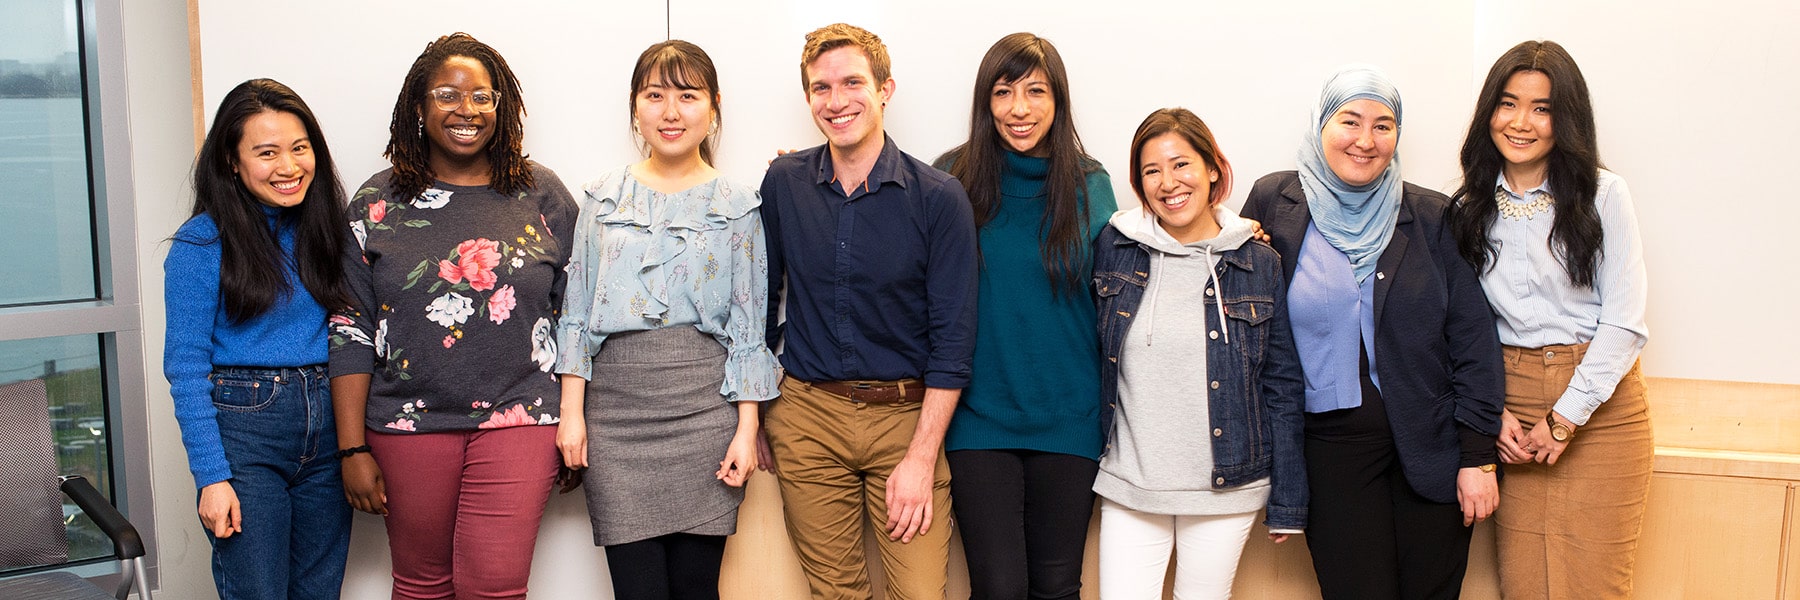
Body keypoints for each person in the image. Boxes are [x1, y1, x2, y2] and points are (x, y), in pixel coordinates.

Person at [327, 32, 578, 599]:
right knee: (422, 587)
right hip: (406, 423)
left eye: (482, 97)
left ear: (500, 106)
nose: (467, 110)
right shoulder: (377, 201)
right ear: (418, 107)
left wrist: (577, 423)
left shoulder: (541, 193)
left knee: (495, 587)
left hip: (523, 418)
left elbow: (577, 314)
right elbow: (349, 327)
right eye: (447, 95)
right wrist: (351, 448)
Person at [1239, 65, 1504, 600]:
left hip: (1432, 447)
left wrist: (1478, 456)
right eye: (1350, 121)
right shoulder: (1275, 202)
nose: (1366, 140)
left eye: (1383, 125)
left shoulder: (1431, 215)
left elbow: (1473, 339)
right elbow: (1243, 316)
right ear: (1321, 123)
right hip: (1329, 453)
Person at [552, 40, 778, 600]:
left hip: (707, 415)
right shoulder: (602, 199)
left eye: (688, 96)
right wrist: (572, 416)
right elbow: (575, 314)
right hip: (615, 421)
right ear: (635, 106)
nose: (671, 112)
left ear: (714, 106)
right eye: (655, 96)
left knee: (699, 590)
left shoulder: (740, 205)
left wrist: (747, 429)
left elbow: (749, 328)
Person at [759, 22, 979, 600]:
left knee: (919, 593)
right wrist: (755, 411)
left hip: (905, 419)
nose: (836, 101)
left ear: (885, 89)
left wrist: (922, 458)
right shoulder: (784, 182)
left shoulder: (939, 197)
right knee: (836, 593)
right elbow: (760, 299)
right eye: (821, 88)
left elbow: (953, 342)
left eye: (852, 83)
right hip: (807, 417)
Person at [1448, 40, 1652, 600]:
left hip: (1601, 410)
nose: (1521, 123)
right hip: (1509, 411)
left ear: (1567, 119)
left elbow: (1625, 323)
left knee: (1594, 586)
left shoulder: (1604, 194)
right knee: (1524, 585)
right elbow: (1461, 328)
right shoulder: (1464, 207)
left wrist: (1565, 418)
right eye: (1508, 103)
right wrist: (1491, 412)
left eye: (1542, 108)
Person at [1091, 108, 1307, 599]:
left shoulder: (1258, 261)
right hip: (1130, 483)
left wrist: (1289, 500)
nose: (1168, 183)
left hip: (1227, 487)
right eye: (1151, 171)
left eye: (1181, 164)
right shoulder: (1113, 248)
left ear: (1212, 168)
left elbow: (1282, 383)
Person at [930, 32, 1115, 600]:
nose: (1019, 108)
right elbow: (896, 252)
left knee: (1057, 587)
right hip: (978, 418)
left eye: (1036, 91)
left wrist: (1232, 231)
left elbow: (1135, 273)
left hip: (1070, 416)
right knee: (999, 587)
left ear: (1058, 100)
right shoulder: (951, 178)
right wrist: (805, 176)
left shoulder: (1090, 184)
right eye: (1004, 91)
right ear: (985, 100)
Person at [163, 78, 352, 600]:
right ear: (232, 160)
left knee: (319, 592)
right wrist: (211, 478)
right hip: (245, 431)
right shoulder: (202, 241)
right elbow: (185, 367)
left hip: (329, 427)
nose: (288, 167)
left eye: (299, 148)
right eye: (267, 153)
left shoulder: (327, 231)